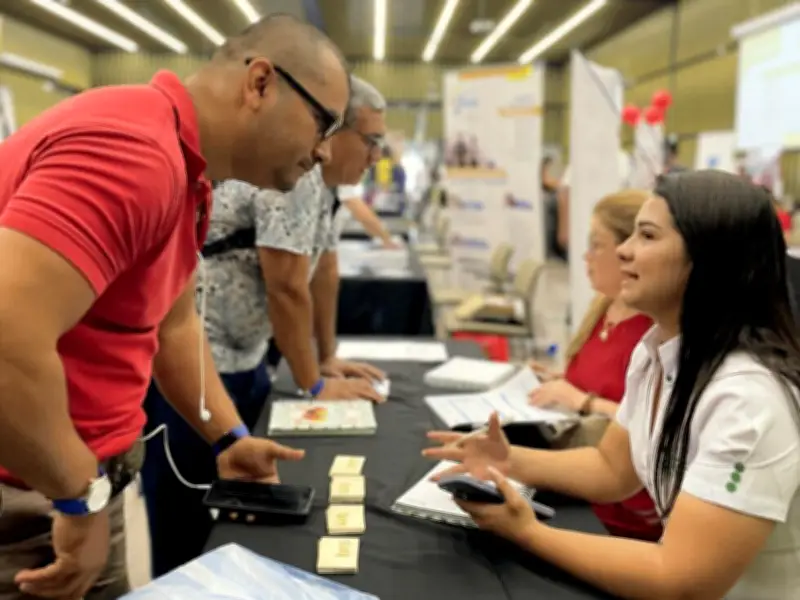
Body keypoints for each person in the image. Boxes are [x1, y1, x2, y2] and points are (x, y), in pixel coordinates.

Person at [0, 13, 349, 600]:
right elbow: (6, 336)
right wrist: (77, 496)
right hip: (32, 496)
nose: (323, 152)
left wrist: (228, 437)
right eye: (322, 124)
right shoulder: (134, 152)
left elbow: (172, 324)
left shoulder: (184, 169)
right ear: (260, 83)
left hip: (69, 485)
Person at [425, 170, 800, 600]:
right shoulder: (656, 352)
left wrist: (528, 532)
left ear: (706, 258)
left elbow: (679, 579)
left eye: (646, 236)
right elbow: (613, 469)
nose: (624, 251)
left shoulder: (748, 401)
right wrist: (508, 461)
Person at [141, 75, 388, 577]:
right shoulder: (298, 179)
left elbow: (324, 274)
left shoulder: (330, 192)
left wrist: (326, 356)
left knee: (244, 522)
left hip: (246, 358)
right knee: (192, 535)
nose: (378, 155)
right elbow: (287, 286)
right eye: (371, 140)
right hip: (195, 371)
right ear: (332, 131)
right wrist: (313, 383)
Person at [527, 190, 660, 541]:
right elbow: (595, 380)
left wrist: (582, 402)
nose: (585, 257)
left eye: (596, 245)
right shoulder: (604, 308)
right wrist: (559, 381)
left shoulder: (654, 333)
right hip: (581, 469)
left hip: (617, 509)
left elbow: (652, 427)